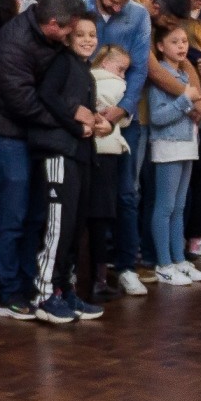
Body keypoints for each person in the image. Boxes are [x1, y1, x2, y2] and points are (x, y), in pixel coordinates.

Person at [0, 0, 80, 320]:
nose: (72, 35)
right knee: (13, 216)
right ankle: (8, 295)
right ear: (53, 24)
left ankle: (29, 285)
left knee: (35, 215)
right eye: (69, 29)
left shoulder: (46, 36)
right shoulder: (12, 44)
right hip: (2, 134)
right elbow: (25, 104)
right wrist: (72, 120)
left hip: (29, 135)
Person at [81, 0, 153, 278]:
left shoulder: (138, 16)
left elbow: (139, 68)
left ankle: (126, 267)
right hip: (82, 115)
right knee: (82, 193)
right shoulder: (78, 7)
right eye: (113, 0)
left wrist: (122, 109)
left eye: (124, 2)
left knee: (126, 192)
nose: (118, 7)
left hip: (123, 118)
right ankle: (82, 268)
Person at [33, 11, 105, 321]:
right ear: (67, 38)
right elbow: (47, 95)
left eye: (93, 35)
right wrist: (76, 123)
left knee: (75, 228)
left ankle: (66, 289)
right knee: (58, 227)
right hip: (60, 152)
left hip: (80, 154)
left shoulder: (84, 70)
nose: (88, 40)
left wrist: (97, 121)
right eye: (81, 35)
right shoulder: (61, 62)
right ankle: (44, 294)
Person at [145, 20, 201, 285]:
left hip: (187, 145)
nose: (182, 46)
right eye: (174, 42)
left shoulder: (185, 76)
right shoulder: (161, 77)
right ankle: (164, 263)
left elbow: (189, 114)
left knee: (180, 206)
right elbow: (158, 117)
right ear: (160, 46)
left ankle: (179, 259)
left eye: (184, 41)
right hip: (168, 146)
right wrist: (185, 101)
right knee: (165, 207)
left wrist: (200, 115)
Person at [87, 44, 132, 301]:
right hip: (107, 152)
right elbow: (124, 118)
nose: (123, 75)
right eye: (121, 69)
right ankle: (99, 280)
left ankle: (80, 277)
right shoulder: (117, 86)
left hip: (87, 151)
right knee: (102, 216)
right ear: (106, 63)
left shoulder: (86, 79)